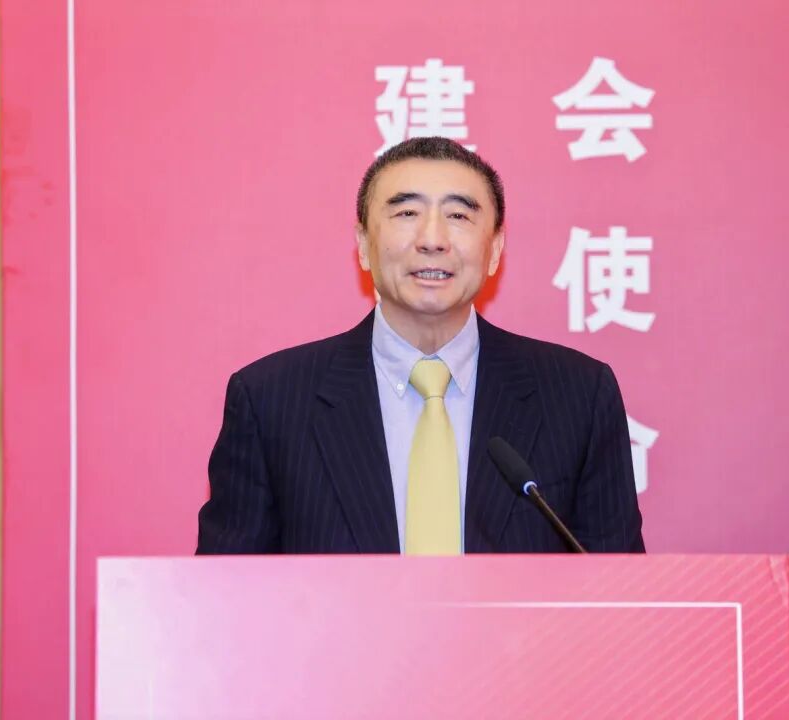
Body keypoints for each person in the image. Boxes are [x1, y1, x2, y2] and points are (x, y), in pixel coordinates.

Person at [196, 137, 644, 554]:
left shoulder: (578, 396)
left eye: (459, 216)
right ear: (363, 245)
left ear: (494, 250)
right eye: (407, 213)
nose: (432, 240)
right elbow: (227, 595)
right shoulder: (271, 402)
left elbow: (617, 592)